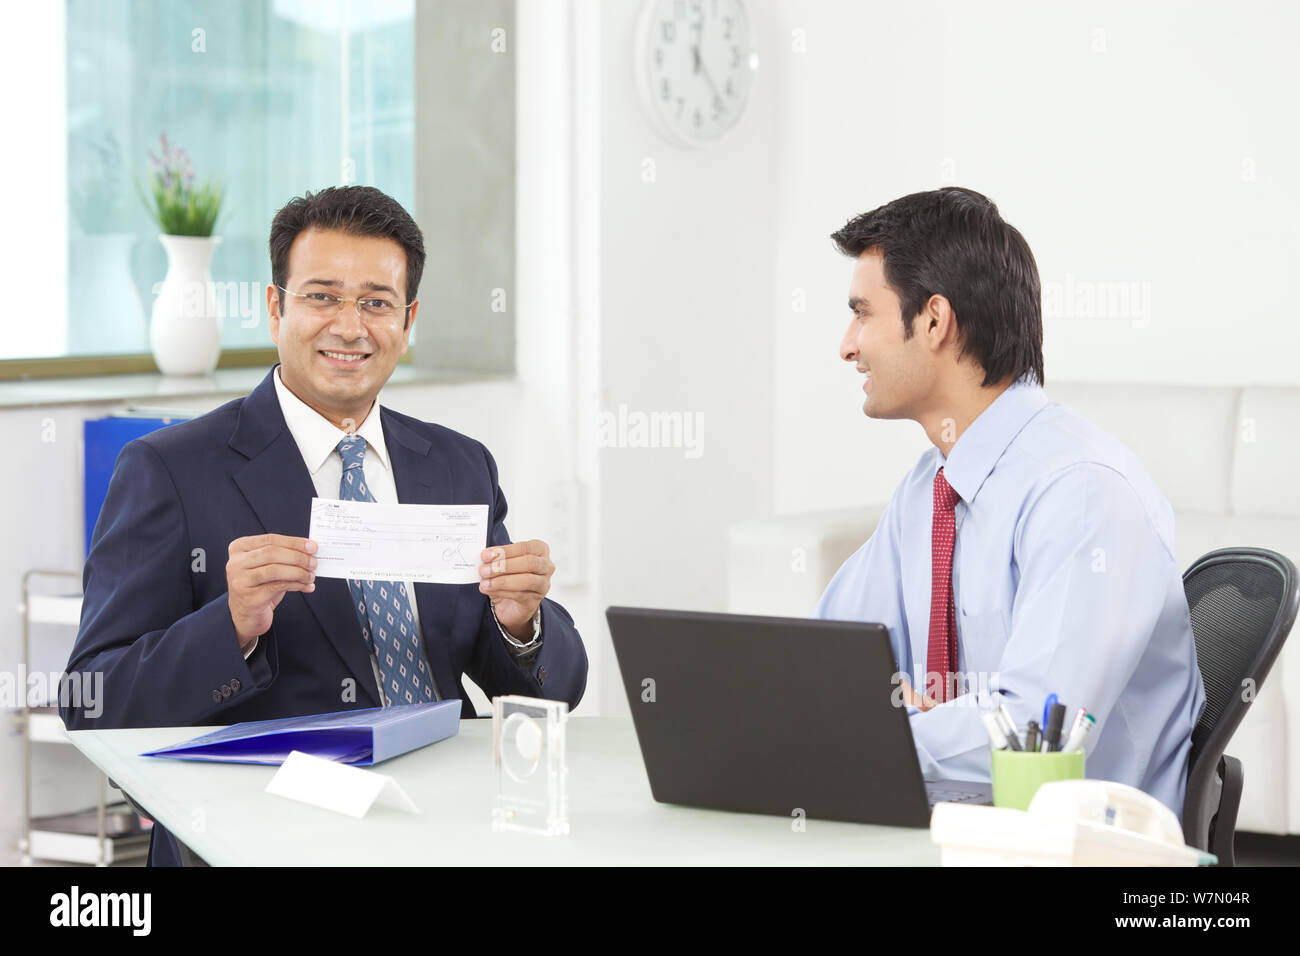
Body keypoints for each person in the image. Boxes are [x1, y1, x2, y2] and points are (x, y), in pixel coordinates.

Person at [61, 185, 587, 864]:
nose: (350, 326)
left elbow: (554, 693)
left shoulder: (458, 465)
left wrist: (521, 626)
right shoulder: (169, 469)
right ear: (276, 305)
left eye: (376, 302)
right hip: (262, 839)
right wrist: (233, 627)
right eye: (322, 296)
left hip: (447, 830)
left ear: (408, 318)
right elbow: (92, 702)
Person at [813, 186, 1204, 820]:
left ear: (934, 321)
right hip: (953, 831)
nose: (846, 345)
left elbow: (1032, 736)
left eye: (862, 313)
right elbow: (823, 662)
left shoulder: (1082, 493)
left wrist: (886, 725)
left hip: (1082, 852)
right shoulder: (928, 490)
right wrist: (923, 717)